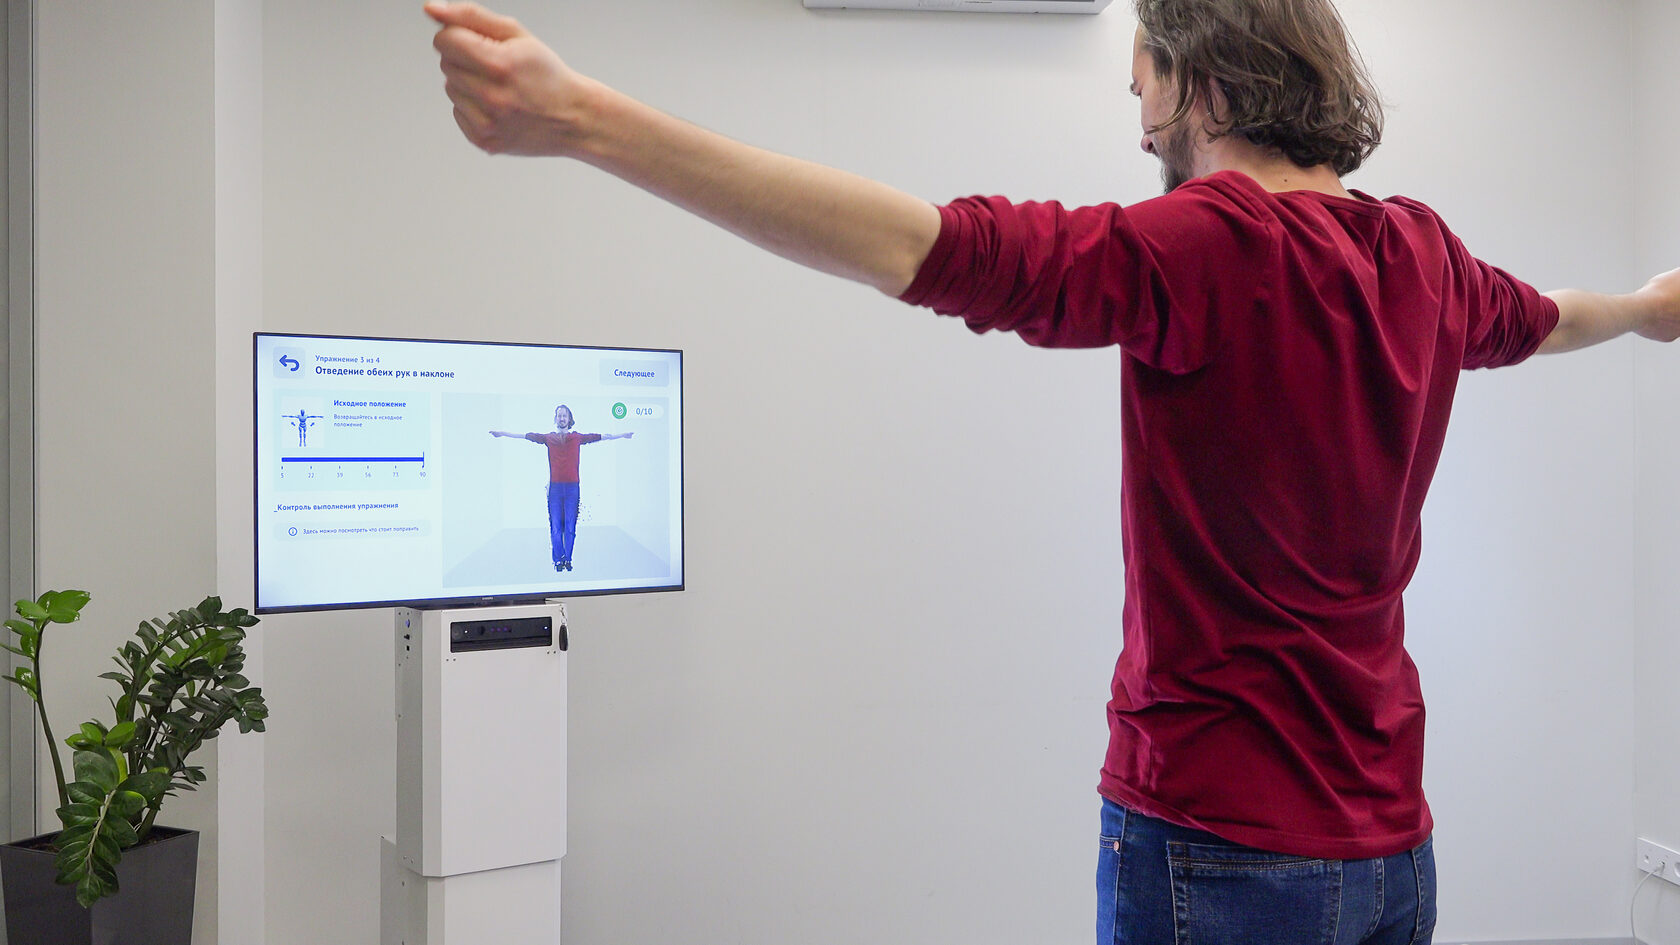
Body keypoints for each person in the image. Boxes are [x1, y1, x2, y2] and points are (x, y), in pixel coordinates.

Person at [428, 1, 1680, 941]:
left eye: (1143, 87)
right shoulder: (1422, 254)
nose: (1138, 125)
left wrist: (586, 122)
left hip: (1220, 848)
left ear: (1202, 77)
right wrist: (1646, 309)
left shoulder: (1208, 243)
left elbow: (926, 246)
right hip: (1394, 852)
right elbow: (1549, 317)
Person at [491, 404, 633, 571]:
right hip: (555, 489)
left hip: (573, 488)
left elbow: (601, 437)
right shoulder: (549, 438)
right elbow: (525, 435)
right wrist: (502, 433)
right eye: (559, 415)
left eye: (564, 415)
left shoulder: (577, 438)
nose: (562, 418)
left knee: (570, 527)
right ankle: (558, 560)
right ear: (556, 418)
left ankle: (568, 559)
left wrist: (622, 435)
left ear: (569, 419)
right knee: (556, 527)